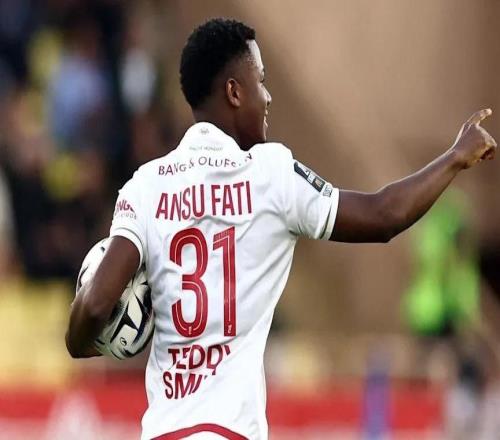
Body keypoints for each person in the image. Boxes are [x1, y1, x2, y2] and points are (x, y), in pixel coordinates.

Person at [66, 18, 497, 440]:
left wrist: (84, 342)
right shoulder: (270, 174)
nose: (268, 96)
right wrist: (455, 157)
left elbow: (96, 304)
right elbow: (384, 215)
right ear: (234, 92)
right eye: (260, 80)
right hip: (230, 430)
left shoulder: (146, 185)